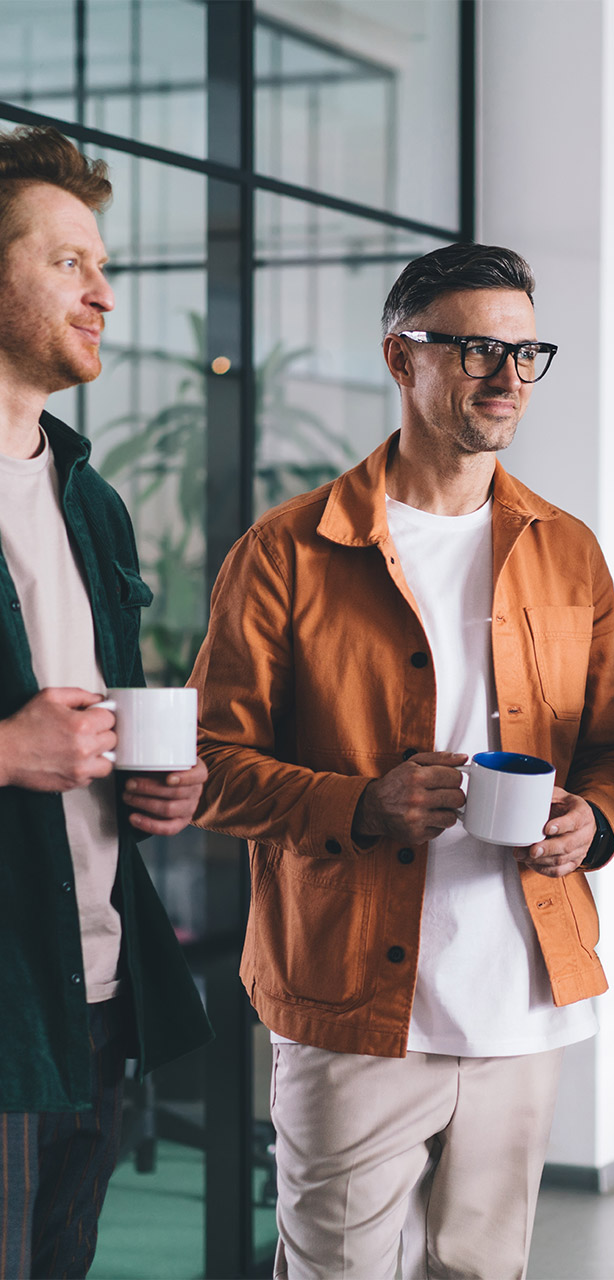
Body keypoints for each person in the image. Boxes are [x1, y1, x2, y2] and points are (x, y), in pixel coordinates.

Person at [188, 242, 614, 1279]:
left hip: (523, 998)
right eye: (478, 347)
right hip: (350, 1002)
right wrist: (361, 801)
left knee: (484, 1270)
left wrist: (598, 820)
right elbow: (212, 763)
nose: (507, 378)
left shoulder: (567, 548)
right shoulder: (288, 549)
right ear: (403, 358)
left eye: (527, 353)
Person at [0, 126, 212, 1279]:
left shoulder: (96, 502)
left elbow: (89, 721)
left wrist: (157, 774)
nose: (105, 294)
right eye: (68, 261)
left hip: (96, 986)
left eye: (102, 263)